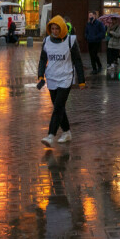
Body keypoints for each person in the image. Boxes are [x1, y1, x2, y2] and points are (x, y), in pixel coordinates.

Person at [37, 16, 86, 146]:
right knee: (59, 107)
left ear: (62, 28)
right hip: (52, 77)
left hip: (66, 77)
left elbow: (77, 61)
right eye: (52, 29)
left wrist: (81, 80)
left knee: (58, 106)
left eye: (57, 29)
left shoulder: (70, 40)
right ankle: (66, 132)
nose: (54, 31)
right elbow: (42, 59)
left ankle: (50, 135)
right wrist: (40, 75)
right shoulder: (46, 41)